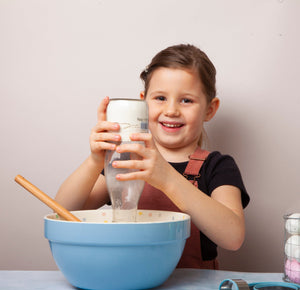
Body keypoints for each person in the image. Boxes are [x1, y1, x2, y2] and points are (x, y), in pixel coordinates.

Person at [55, 44, 250, 269]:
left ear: (210, 109)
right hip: (131, 281)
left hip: (194, 289)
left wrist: (168, 179)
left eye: (186, 100)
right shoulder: (126, 160)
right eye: (160, 98)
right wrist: (94, 161)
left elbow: (233, 237)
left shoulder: (218, 166)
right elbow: (63, 213)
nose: (171, 110)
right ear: (143, 102)